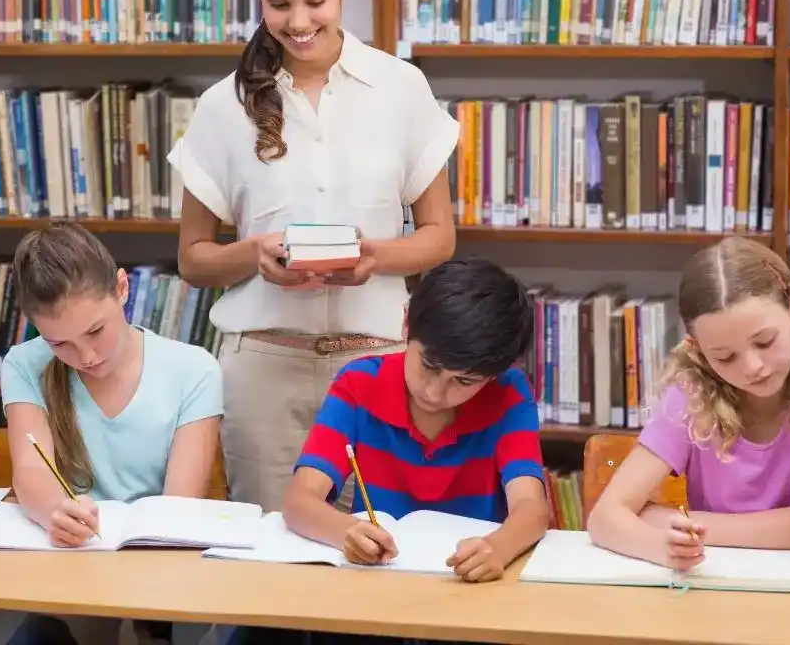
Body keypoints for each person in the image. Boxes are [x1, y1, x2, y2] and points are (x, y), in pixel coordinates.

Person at [167, 0, 460, 513]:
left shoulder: (400, 88)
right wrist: (254, 254)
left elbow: (438, 236)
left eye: (316, 1)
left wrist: (374, 256)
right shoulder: (224, 106)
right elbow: (194, 260)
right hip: (264, 369)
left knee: (381, 555)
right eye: (278, 4)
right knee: (272, 575)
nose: (298, 22)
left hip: (377, 366)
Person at [229, 259, 550, 645]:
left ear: (495, 374)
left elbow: (532, 510)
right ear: (406, 325)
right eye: (429, 366)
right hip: (378, 594)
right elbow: (300, 501)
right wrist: (344, 532)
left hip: (470, 596)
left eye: (464, 381)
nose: (435, 392)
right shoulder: (359, 385)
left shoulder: (509, 393)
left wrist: (498, 549)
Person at [0, 223, 223, 645]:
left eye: (95, 331)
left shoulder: (194, 370)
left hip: (160, 571)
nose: (85, 356)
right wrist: (55, 511)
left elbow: (178, 505)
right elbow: (30, 468)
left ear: (122, 288)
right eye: (59, 344)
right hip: (71, 566)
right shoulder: (24, 365)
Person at [587, 237, 790, 571]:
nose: (753, 367)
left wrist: (676, 520)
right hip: (713, 586)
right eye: (725, 356)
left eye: (765, 341)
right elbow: (605, 517)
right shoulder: (692, 395)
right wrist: (663, 547)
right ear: (699, 351)